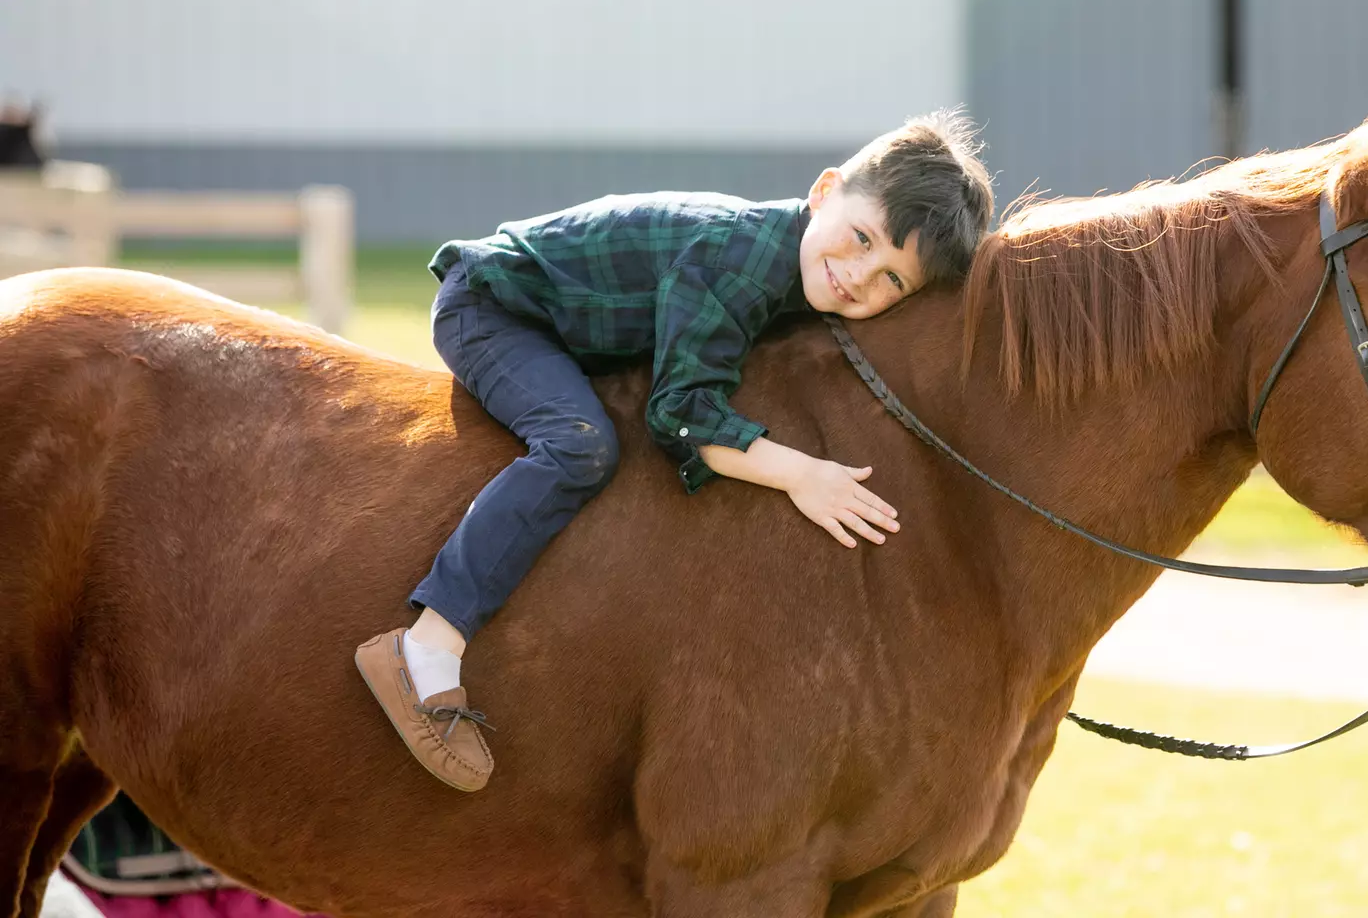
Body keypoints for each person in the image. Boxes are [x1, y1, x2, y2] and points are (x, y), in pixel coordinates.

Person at [355, 113, 994, 790]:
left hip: (580, 333)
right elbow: (682, 415)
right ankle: (426, 645)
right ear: (824, 191)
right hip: (496, 308)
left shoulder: (805, 273)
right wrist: (802, 472)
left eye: (893, 279)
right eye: (862, 238)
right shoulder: (742, 259)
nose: (860, 276)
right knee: (582, 445)